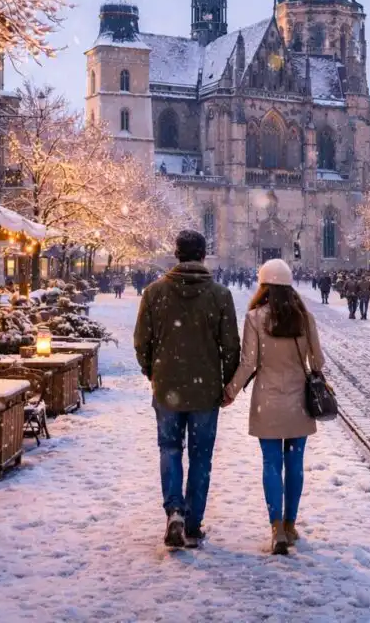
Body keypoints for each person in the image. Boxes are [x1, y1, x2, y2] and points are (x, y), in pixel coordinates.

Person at [134, 230, 240, 549]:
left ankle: (175, 512)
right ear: (203, 255)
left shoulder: (154, 292)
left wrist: (153, 371)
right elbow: (231, 347)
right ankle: (193, 523)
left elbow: (142, 342)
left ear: (176, 254)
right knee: (201, 456)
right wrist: (227, 383)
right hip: (206, 390)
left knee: (169, 449)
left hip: (167, 387)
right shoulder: (220, 295)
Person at [223, 259, 325, 556]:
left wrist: (229, 391)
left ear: (263, 286)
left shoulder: (255, 317)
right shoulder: (305, 319)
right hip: (298, 402)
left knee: (271, 464)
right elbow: (317, 362)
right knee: (294, 464)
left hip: (267, 399)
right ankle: (292, 524)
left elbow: (248, 363)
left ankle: (276, 527)